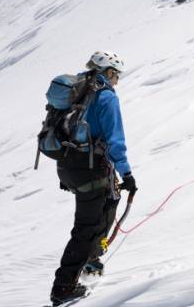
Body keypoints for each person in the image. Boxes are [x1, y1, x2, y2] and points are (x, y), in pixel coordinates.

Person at [50, 51, 136, 306]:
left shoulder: (77, 88)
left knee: (110, 201)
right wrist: (127, 173)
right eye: (117, 75)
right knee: (86, 229)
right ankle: (63, 288)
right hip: (90, 169)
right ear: (109, 71)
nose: (118, 80)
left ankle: (92, 259)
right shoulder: (105, 96)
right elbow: (115, 140)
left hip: (68, 166)